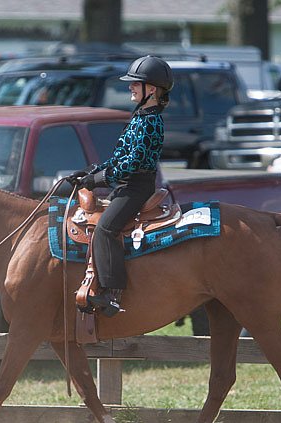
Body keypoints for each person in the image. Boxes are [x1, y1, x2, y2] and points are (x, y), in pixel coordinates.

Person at [66, 56, 173, 317]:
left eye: (136, 84)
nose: (130, 88)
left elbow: (132, 165)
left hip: (136, 188)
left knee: (104, 229)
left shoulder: (150, 121)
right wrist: (92, 172)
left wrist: (99, 180)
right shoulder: (140, 118)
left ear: (152, 89)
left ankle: (111, 294)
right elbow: (119, 158)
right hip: (125, 185)